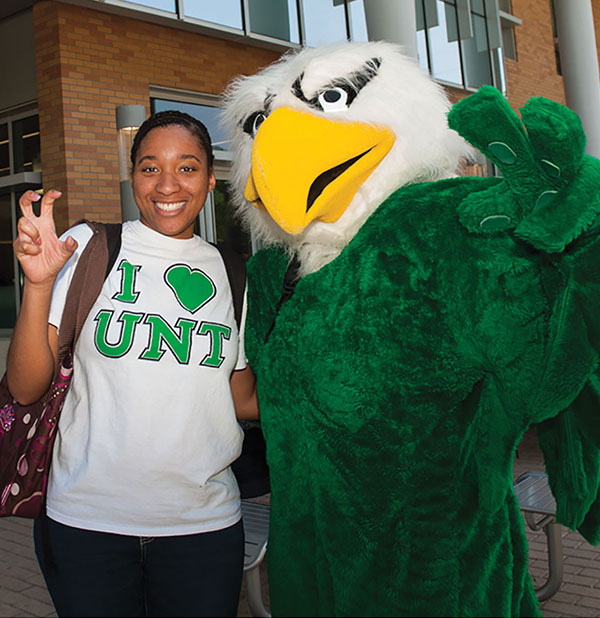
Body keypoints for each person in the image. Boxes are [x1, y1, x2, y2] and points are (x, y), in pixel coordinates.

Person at [6, 110, 258, 617]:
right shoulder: (90, 249)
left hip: (202, 529)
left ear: (211, 179)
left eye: (187, 168)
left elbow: (243, 400)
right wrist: (37, 285)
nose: (168, 184)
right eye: (149, 167)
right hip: (85, 526)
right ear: (133, 175)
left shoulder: (234, 273)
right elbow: (26, 386)